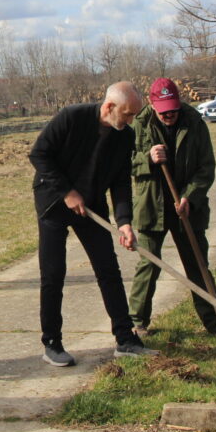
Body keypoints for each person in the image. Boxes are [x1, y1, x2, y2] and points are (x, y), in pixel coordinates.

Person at [30, 81, 156, 366]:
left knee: (108, 269)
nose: (130, 120)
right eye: (126, 114)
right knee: (53, 274)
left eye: (134, 115)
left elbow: (121, 181)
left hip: (92, 204)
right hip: (53, 201)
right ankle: (52, 343)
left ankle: (125, 339)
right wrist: (67, 192)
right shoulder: (71, 117)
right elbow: (39, 155)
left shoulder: (125, 135)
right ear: (109, 106)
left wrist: (124, 222)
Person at [127, 78, 216, 336]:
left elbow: (206, 167)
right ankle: (137, 324)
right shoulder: (139, 124)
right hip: (151, 207)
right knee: (149, 264)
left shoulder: (194, 123)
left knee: (197, 264)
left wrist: (190, 196)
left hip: (188, 208)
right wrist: (147, 158)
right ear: (152, 103)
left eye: (173, 109)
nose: (169, 115)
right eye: (164, 110)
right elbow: (124, 163)